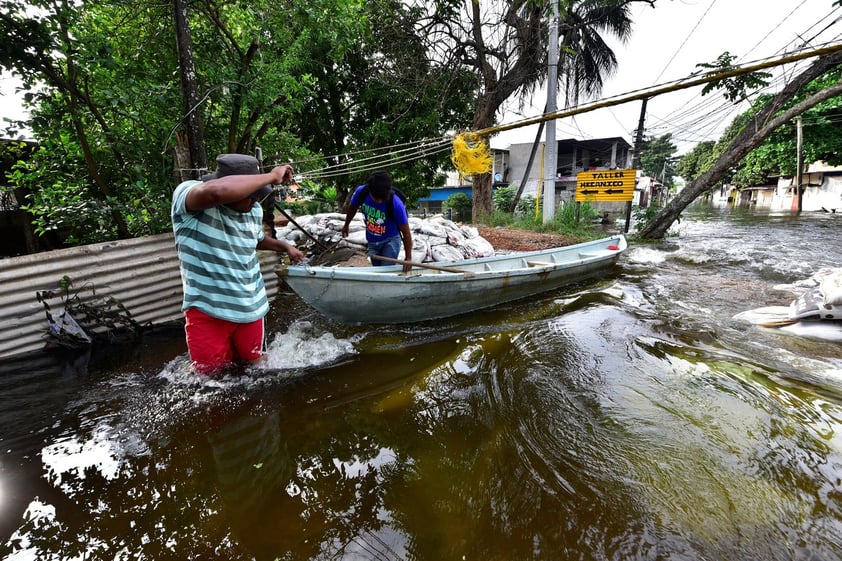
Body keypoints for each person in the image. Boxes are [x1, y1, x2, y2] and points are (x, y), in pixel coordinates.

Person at [171, 153, 305, 375]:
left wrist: (285, 247)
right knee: (210, 381)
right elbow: (216, 192)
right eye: (249, 194)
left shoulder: (253, 211)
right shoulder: (189, 199)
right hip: (208, 311)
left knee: (257, 371)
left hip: (251, 307)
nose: (254, 200)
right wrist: (271, 176)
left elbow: (255, 239)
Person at [340, 171, 413, 273]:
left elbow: (406, 233)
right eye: (376, 198)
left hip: (390, 240)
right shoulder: (361, 192)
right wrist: (346, 225)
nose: (379, 201)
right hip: (372, 240)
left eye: (382, 199)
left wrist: (408, 258)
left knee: (384, 273)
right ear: (370, 190)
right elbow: (353, 208)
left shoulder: (396, 204)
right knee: (377, 270)